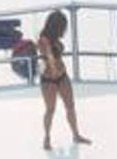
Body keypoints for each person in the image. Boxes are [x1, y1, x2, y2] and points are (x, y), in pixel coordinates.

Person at [38, 9, 91, 151]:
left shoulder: (55, 39)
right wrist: (54, 68)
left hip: (62, 76)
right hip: (49, 80)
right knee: (50, 110)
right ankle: (47, 138)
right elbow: (49, 57)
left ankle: (76, 134)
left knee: (70, 106)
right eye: (63, 27)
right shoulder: (44, 40)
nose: (65, 30)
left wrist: (57, 68)